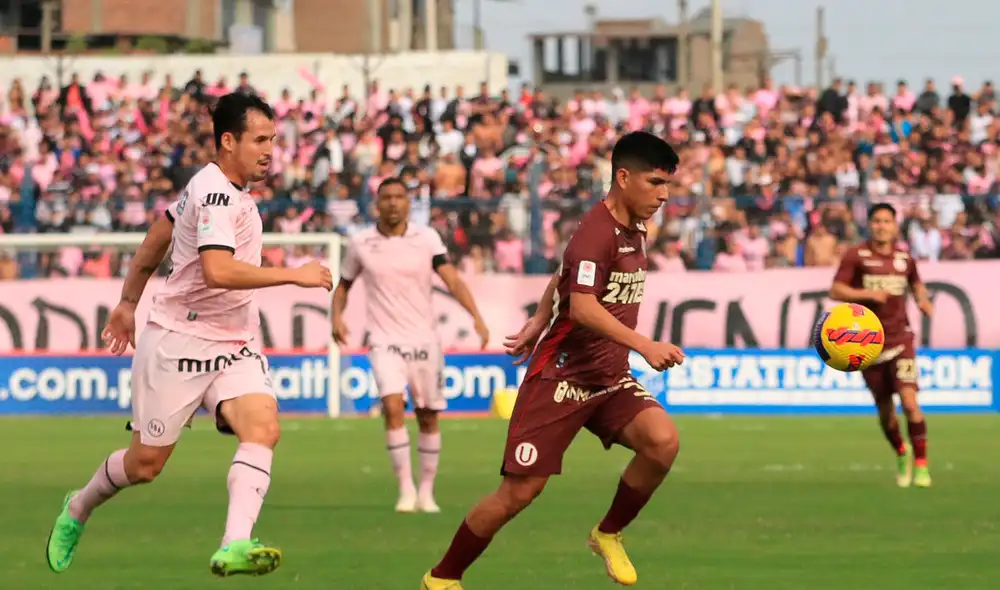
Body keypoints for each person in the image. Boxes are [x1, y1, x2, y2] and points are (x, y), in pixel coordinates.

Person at [44, 93, 334, 577]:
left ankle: (234, 544)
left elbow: (161, 231)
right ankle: (78, 507)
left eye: (273, 140)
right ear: (228, 141)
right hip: (179, 340)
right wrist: (293, 275)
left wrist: (128, 300)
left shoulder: (213, 186)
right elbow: (218, 270)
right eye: (260, 140)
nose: (270, 151)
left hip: (235, 341)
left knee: (262, 428)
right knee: (144, 467)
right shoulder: (217, 193)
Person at [420, 131, 685, 589]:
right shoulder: (596, 232)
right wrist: (643, 344)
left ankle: (608, 533)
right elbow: (581, 305)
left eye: (667, 185)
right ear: (623, 177)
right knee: (520, 492)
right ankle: (443, 577)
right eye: (655, 182)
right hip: (561, 376)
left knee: (662, 442)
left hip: (607, 376)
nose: (663, 195)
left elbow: (565, 274)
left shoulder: (634, 225)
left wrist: (539, 316)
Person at [331, 177, 489, 513]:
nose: (392, 203)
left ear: (408, 202)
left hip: (425, 340)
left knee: (428, 416)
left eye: (399, 197)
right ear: (377, 203)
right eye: (386, 197)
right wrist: (337, 316)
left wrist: (476, 315)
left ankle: (426, 492)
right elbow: (343, 285)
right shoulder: (361, 243)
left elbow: (451, 278)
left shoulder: (427, 238)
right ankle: (405, 489)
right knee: (391, 406)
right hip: (384, 339)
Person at [829, 203, 934, 488]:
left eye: (887, 221)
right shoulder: (856, 255)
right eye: (876, 221)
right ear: (870, 224)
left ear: (894, 225)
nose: (881, 226)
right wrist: (868, 294)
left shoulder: (905, 258)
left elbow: (916, 284)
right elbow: (836, 289)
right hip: (868, 346)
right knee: (886, 414)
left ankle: (922, 466)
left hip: (901, 341)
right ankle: (901, 451)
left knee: (911, 405)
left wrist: (923, 300)